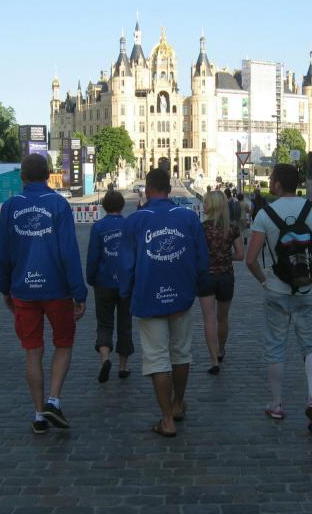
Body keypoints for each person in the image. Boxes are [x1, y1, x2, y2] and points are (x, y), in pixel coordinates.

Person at [0, 154, 88, 434]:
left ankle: (38, 414)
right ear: (48, 175)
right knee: (63, 343)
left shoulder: (11, 206)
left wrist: (4, 286)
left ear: (22, 176)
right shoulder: (58, 204)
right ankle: (53, 400)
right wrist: (79, 292)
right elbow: (69, 252)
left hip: (23, 289)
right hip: (56, 289)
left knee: (33, 351)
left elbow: (3, 252)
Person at [246, 163, 312, 434]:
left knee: (275, 347)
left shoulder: (264, 214)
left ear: (276, 184)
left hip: (277, 290)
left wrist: (264, 281)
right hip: (309, 289)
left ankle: (276, 404)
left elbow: (250, 260)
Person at [119, 168, 209, 438]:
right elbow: (201, 258)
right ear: (169, 189)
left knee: (157, 358)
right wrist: (197, 286)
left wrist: (126, 292)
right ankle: (178, 403)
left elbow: (126, 266)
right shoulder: (188, 217)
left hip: (149, 296)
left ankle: (167, 418)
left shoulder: (135, 221)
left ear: (147, 190)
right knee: (181, 353)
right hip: (181, 295)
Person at [86, 190, 133, 382]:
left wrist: (91, 278)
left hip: (103, 282)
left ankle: (105, 359)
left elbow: (93, 256)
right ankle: (123, 366)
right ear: (122, 205)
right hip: (125, 282)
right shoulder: (129, 226)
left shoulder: (98, 227)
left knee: (104, 323)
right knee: (125, 324)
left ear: (104, 206)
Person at [198, 191, 244, 375]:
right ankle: (221, 349)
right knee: (222, 318)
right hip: (225, 276)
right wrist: (225, 257)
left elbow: (196, 254)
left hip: (206, 277)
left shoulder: (201, 228)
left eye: (206, 202)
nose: (203, 205)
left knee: (208, 318)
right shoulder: (232, 228)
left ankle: (213, 360)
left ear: (212, 205)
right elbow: (240, 255)